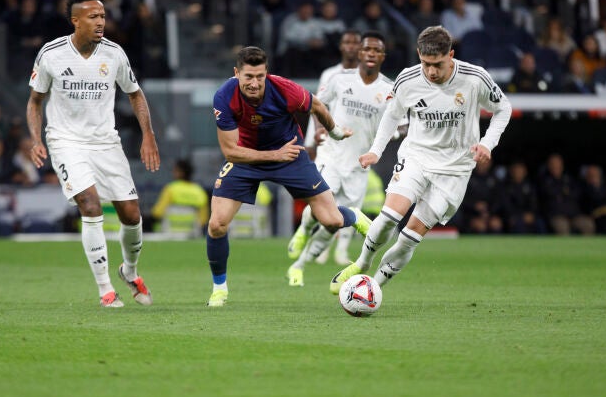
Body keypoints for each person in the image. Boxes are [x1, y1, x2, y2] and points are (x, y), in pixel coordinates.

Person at [329, 25, 511, 293]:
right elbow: (392, 114)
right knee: (390, 215)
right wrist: (376, 151)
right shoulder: (408, 79)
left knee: (409, 237)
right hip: (417, 157)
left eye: (437, 64)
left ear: (451, 55)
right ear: (418, 55)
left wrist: (487, 143)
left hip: (455, 169)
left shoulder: (475, 78)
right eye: (426, 64)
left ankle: (372, 288)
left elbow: (503, 108)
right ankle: (363, 262)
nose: (431, 71)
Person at [206, 45, 371, 307]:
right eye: (248, 76)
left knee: (331, 220)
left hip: (290, 154)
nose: (254, 83)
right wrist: (274, 156)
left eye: (260, 76)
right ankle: (219, 289)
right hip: (246, 158)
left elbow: (316, 104)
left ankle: (353, 215)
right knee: (217, 224)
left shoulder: (283, 88)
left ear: (266, 73)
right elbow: (230, 152)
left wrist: (335, 131)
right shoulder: (224, 97)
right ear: (237, 73)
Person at [26, 0, 160, 308]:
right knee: (90, 205)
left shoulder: (114, 53)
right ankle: (105, 289)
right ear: (76, 21)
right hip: (65, 141)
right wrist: (36, 139)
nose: (101, 21)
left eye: (102, 16)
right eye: (93, 17)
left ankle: (129, 271)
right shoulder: (51, 54)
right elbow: (35, 101)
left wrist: (148, 135)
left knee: (131, 214)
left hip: (105, 142)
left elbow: (135, 93)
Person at [285, 31, 393, 285]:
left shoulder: (389, 89)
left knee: (334, 223)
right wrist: (322, 129)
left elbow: (400, 124)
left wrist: (390, 136)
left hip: (359, 164)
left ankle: (298, 266)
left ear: (382, 56)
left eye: (377, 50)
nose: (371, 54)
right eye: (367, 49)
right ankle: (302, 230)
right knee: (323, 206)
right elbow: (316, 104)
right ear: (360, 52)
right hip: (331, 155)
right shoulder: (339, 79)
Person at [150, 158, 209, 236]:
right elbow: (203, 220)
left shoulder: (171, 189)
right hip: (192, 236)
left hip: (169, 234)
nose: (173, 173)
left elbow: (157, 213)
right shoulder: (199, 191)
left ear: (181, 172)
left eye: (175, 170)